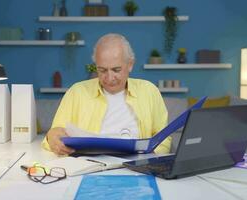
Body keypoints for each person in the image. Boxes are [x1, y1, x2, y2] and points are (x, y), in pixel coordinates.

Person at [42, 33, 171, 155]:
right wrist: (51, 138)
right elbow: (53, 137)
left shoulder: (149, 91)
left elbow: (164, 139)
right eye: (102, 70)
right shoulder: (77, 92)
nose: (109, 78)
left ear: (130, 64)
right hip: (88, 168)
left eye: (116, 70)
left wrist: (147, 158)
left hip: (137, 167)